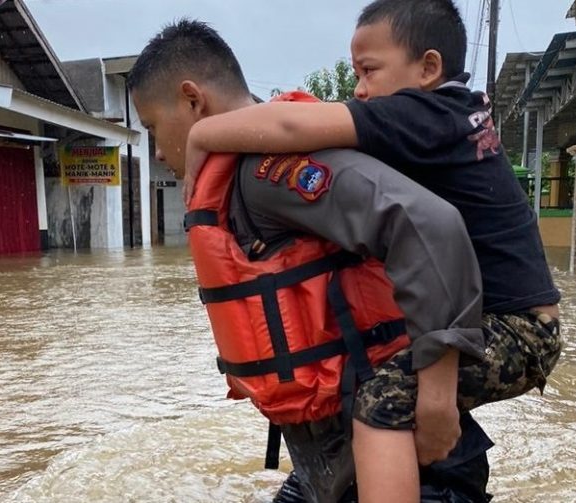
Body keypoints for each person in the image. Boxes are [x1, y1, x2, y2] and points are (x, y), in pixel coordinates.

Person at [181, 0, 563, 501]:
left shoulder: (424, 113)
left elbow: (293, 128)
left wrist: (201, 135)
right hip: (516, 320)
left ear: (428, 68)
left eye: (369, 71)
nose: (360, 89)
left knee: (381, 398)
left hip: (520, 331)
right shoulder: (449, 114)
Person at [128, 19, 494, 503]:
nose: (155, 149)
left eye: (153, 126)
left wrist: (436, 399)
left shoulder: (263, 171)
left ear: (193, 100)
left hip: (409, 466)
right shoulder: (244, 176)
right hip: (333, 463)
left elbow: (427, 224)